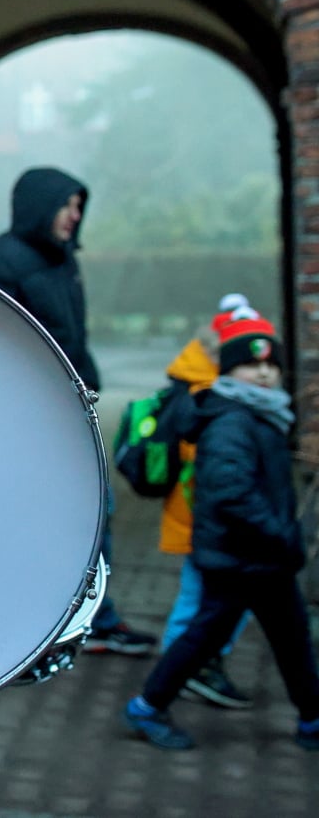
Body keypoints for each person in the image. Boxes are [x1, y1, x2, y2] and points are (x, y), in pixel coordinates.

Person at [0, 167, 156, 656]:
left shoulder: (60, 258)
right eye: (66, 205)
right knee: (59, 518)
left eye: (80, 206)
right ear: (39, 205)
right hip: (30, 419)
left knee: (96, 513)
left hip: (73, 407)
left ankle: (90, 617)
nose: (75, 216)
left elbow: (70, 334)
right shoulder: (0, 263)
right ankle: (58, 621)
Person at [123, 310, 319, 751]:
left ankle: (312, 716)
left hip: (259, 557)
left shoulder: (260, 415)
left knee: (290, 639)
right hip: (241, 558)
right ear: (230, 370)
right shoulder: (232, 422)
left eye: (271, 365)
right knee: (208, 637)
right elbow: (230, 495)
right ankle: (147, 706)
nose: (265, 373)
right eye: (252, 365)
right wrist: (281, 534)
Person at [153, 295, 258, 709]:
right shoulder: (206, 394)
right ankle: (180, 664)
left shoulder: (202, 383)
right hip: (205, 517)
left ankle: (190, 661)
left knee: (210, 594)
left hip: (204, 515)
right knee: (200, 594)